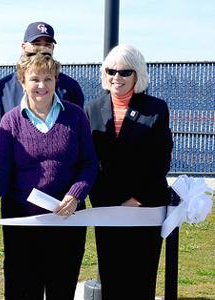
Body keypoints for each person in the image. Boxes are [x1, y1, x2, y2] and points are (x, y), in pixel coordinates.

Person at [0, 52, 97, 299]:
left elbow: (89, 164)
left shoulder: (75, 116)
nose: (41, 85)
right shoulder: (11, 121)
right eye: (34, 79)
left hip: (66, 222)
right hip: (23, 226)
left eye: (48, 78)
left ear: (56, 80)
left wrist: (75, 194)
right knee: (23, 291)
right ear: (22, 81)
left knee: (61, 289)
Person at [85, 45, 173, 299]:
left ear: (138, 75)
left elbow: (160, 159)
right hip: (108, 209)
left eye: (125, 72)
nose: (117, 77)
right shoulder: (92, 109)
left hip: (143, 208)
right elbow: (89, 159)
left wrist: (136, 199)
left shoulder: (155, 109)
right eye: (111, 71)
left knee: (140, 281)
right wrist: (102, 200)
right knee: (112, 279)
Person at [0, 21, 85, 126]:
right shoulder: (3, 90)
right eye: (36, 44)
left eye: (47, 45)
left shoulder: (71, 87)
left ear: (53, 48)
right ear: (23, 47)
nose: (41, 49)